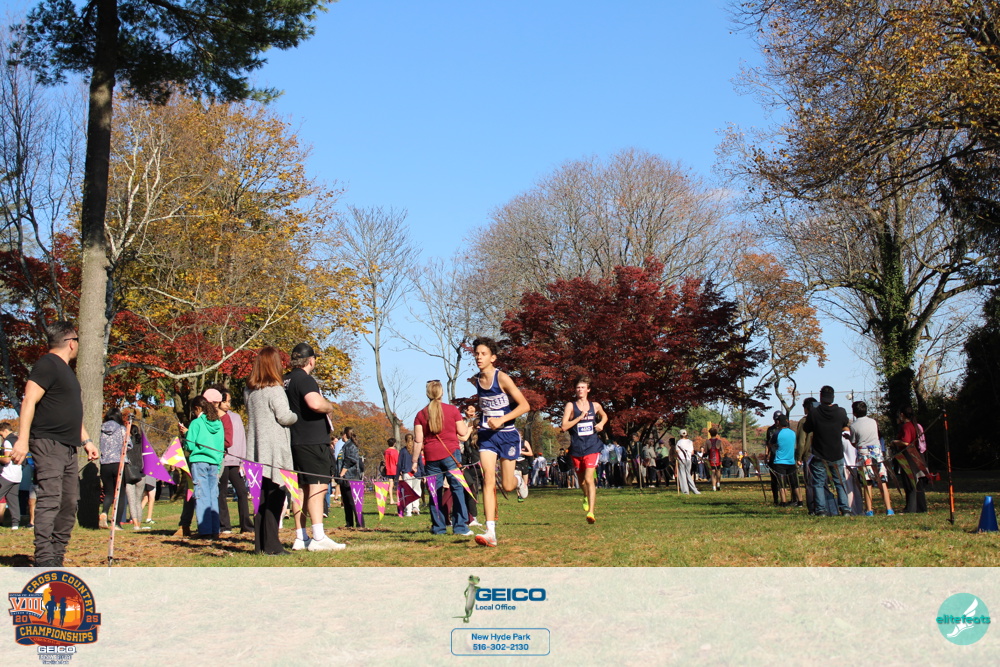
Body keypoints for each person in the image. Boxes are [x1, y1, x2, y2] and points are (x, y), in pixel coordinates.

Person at [10, 322, 99, 566]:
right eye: (77, 340)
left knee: (69, 502)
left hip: (69, 447)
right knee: (50, 499)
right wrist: (22, 440)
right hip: (48, 443)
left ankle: (57, 555)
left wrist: (87, 440)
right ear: (71, 342)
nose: (78, 345)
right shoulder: (47, 364)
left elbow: (71, 413)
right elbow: (29, 401)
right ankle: (44, 558)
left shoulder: (67, 371)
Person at [247, 347, 312, 555]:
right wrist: (297, 416)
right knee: (275, 497)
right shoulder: (275, 390)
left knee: (260, 499)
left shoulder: (250, 392)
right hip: (274, 450)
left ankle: (260, 545)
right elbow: (284, 416)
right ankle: (273, 546)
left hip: (256, 450)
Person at [470, 337, 530, 547]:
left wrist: (502, 419)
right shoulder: (477, 380)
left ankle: (518, 480)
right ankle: (490, 532)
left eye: (483, 354)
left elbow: (524, 406)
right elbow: (487, 406)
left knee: (507, 485)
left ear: (493, 358)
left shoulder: (502, 378)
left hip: (507, 435)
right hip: (487, 436)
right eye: (477, 354)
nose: (479, 357)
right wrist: (480, 420)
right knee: (487, 478)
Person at [284, 342, 341, 551]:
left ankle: (301, 537)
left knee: (300, 489)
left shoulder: (285, 380)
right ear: (310, 360)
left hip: (294, 440)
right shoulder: (305, 379)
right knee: (318, 486)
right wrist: (329, 406)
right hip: (312, 441)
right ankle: (318, 537)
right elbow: (315, 403)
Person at [411, 380, 472, 536]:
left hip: (431, 457)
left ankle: (438, 527)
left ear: (427, 394)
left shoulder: (420, 414)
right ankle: (460, 527)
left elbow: (418, 440)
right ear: (442, 393)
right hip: (451, 454)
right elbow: (463, 432)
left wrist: (414, 461)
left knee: (434, 492)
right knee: (457, 488)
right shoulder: (452, 410)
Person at [560, 375, 608, 523]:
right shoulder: (571, 406)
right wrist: (579, 418)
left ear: (588, 389)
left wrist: (601, 424)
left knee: (589, 479)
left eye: (582, 387)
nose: (580, 390)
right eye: (578, 388)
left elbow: (605, 416)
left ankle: (591, 512)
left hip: (592, 446)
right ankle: (586, 496)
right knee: (581, 482)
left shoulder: (595, 406)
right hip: (576, 448)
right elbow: (564, 426)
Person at [802, 386, 851, 516]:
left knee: (818, 483)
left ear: (821, 397)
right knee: (840, 482)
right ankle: (845, 508)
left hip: (819, 453)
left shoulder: (814, 413)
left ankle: (821, 509)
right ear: (833, 397)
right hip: (836, 453)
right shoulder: (841, 412)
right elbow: (845, 424)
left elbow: (806, 428)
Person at [211, 386, 253, 535]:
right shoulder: (213, 418)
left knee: (242, 492)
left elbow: (242, 439)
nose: (228, 404)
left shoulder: (236, 417)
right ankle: (224, 525)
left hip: (235, 461)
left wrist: (243, 461)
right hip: (221, 460)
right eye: (225, 401)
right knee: (221, 493)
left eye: (229, 401)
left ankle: (246, 525)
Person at [183, 395, 224, 538]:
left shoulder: (196, 423)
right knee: (213, 495)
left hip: (199, 461)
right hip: (215, 462)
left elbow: (190, 446)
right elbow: (221, 447)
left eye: (193, 411)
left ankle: (205, 531)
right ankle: (215, 530)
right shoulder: (218, 423)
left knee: (201, 495)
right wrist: (218, 463)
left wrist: (186, 435)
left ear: (197, 408)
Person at [849, 401, 894, 516]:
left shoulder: (853, 426)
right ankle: (889, 509)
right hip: (877, 454)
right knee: (882, 481)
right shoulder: (873, 422)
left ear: (854, 412)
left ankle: (869, 510)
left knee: (867, 483)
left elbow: (854, 442)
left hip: (863, 455)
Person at [891, 405, 929, 514]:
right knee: (918, 483)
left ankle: (910, 509)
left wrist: (895, 442)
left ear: (902, 415)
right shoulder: (916, 425)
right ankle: (921, 508)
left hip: (908, 458)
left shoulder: (906, 426)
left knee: (910, 483)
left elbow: (906, 442)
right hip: (918, 456)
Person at [337, 427, 365, 529]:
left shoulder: (351, 446)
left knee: (354, 502)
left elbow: (350, 460)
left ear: (345, 435)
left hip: (351, 477)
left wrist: (342, 473)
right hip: (344, 477)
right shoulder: (345, 446)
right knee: (346, 502)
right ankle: (349, 523)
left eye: (342, 434)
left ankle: (360, 524)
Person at [771, 415, 801, 506]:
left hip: (780, 461)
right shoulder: (793, 433)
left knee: (782, 484)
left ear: (779, 422)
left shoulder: (777, 433)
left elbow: (771, 443)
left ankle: (783, 502)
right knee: (795, 483)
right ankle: (800, 501)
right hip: (791, 461)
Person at [796, 397, 818, 513]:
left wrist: (799, 457)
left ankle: (812, 508)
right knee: (821, 482)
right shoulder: (822, 419)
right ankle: (822, 506)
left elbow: (801, 442)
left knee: (809, 483)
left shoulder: (804, 421)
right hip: (822, 454)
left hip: (808, 455)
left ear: (806, 408)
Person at [1, 422, 23, 530]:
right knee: (13, 500)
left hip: (7, 474)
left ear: (5, 431)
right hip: (17, 475)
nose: (2, 437)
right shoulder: (18, 441)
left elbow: (6, 459)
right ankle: (15, 524)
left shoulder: (7, 441)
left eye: (1, 434)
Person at [398, 433, 421, 516]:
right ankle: (416, 508)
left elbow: (399, 463)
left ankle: (409, 511)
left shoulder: (403, 451)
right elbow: (420, 462)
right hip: (417, 473)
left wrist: (398, 474)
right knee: (417, 491)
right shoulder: (416, 450)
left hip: (406, 473)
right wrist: (423, 473)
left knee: (408, 492)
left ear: (405, 440)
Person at [674, 430, 700, 495]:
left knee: (682, 474)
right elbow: (692, 452)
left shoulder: (678, 442)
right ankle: (695, 490)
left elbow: (677, 451)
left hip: (681, 459)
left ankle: (685, 491)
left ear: (680, 435)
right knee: (688, 474)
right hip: (688, 459)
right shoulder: (690, 442)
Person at [382, 438, 399, 505]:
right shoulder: (395, 451)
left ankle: (391, 499)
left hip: (388, 469)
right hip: (395, 469)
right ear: (394, 443)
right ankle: (398, 499)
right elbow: (397, 462)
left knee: (390, 485)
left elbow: (384, 460)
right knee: (398, 485)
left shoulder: (386, 451)